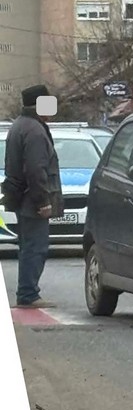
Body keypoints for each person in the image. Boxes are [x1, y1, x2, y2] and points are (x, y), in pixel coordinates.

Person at [2, 85, 63, 308]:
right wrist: (43, 201)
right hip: (31, 199)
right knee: (35, 247)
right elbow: (36, 170)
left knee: (28, 245)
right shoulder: (35, 130)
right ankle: (28, 294)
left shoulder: (20, 125)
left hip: (21, 196)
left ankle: (27, 292)